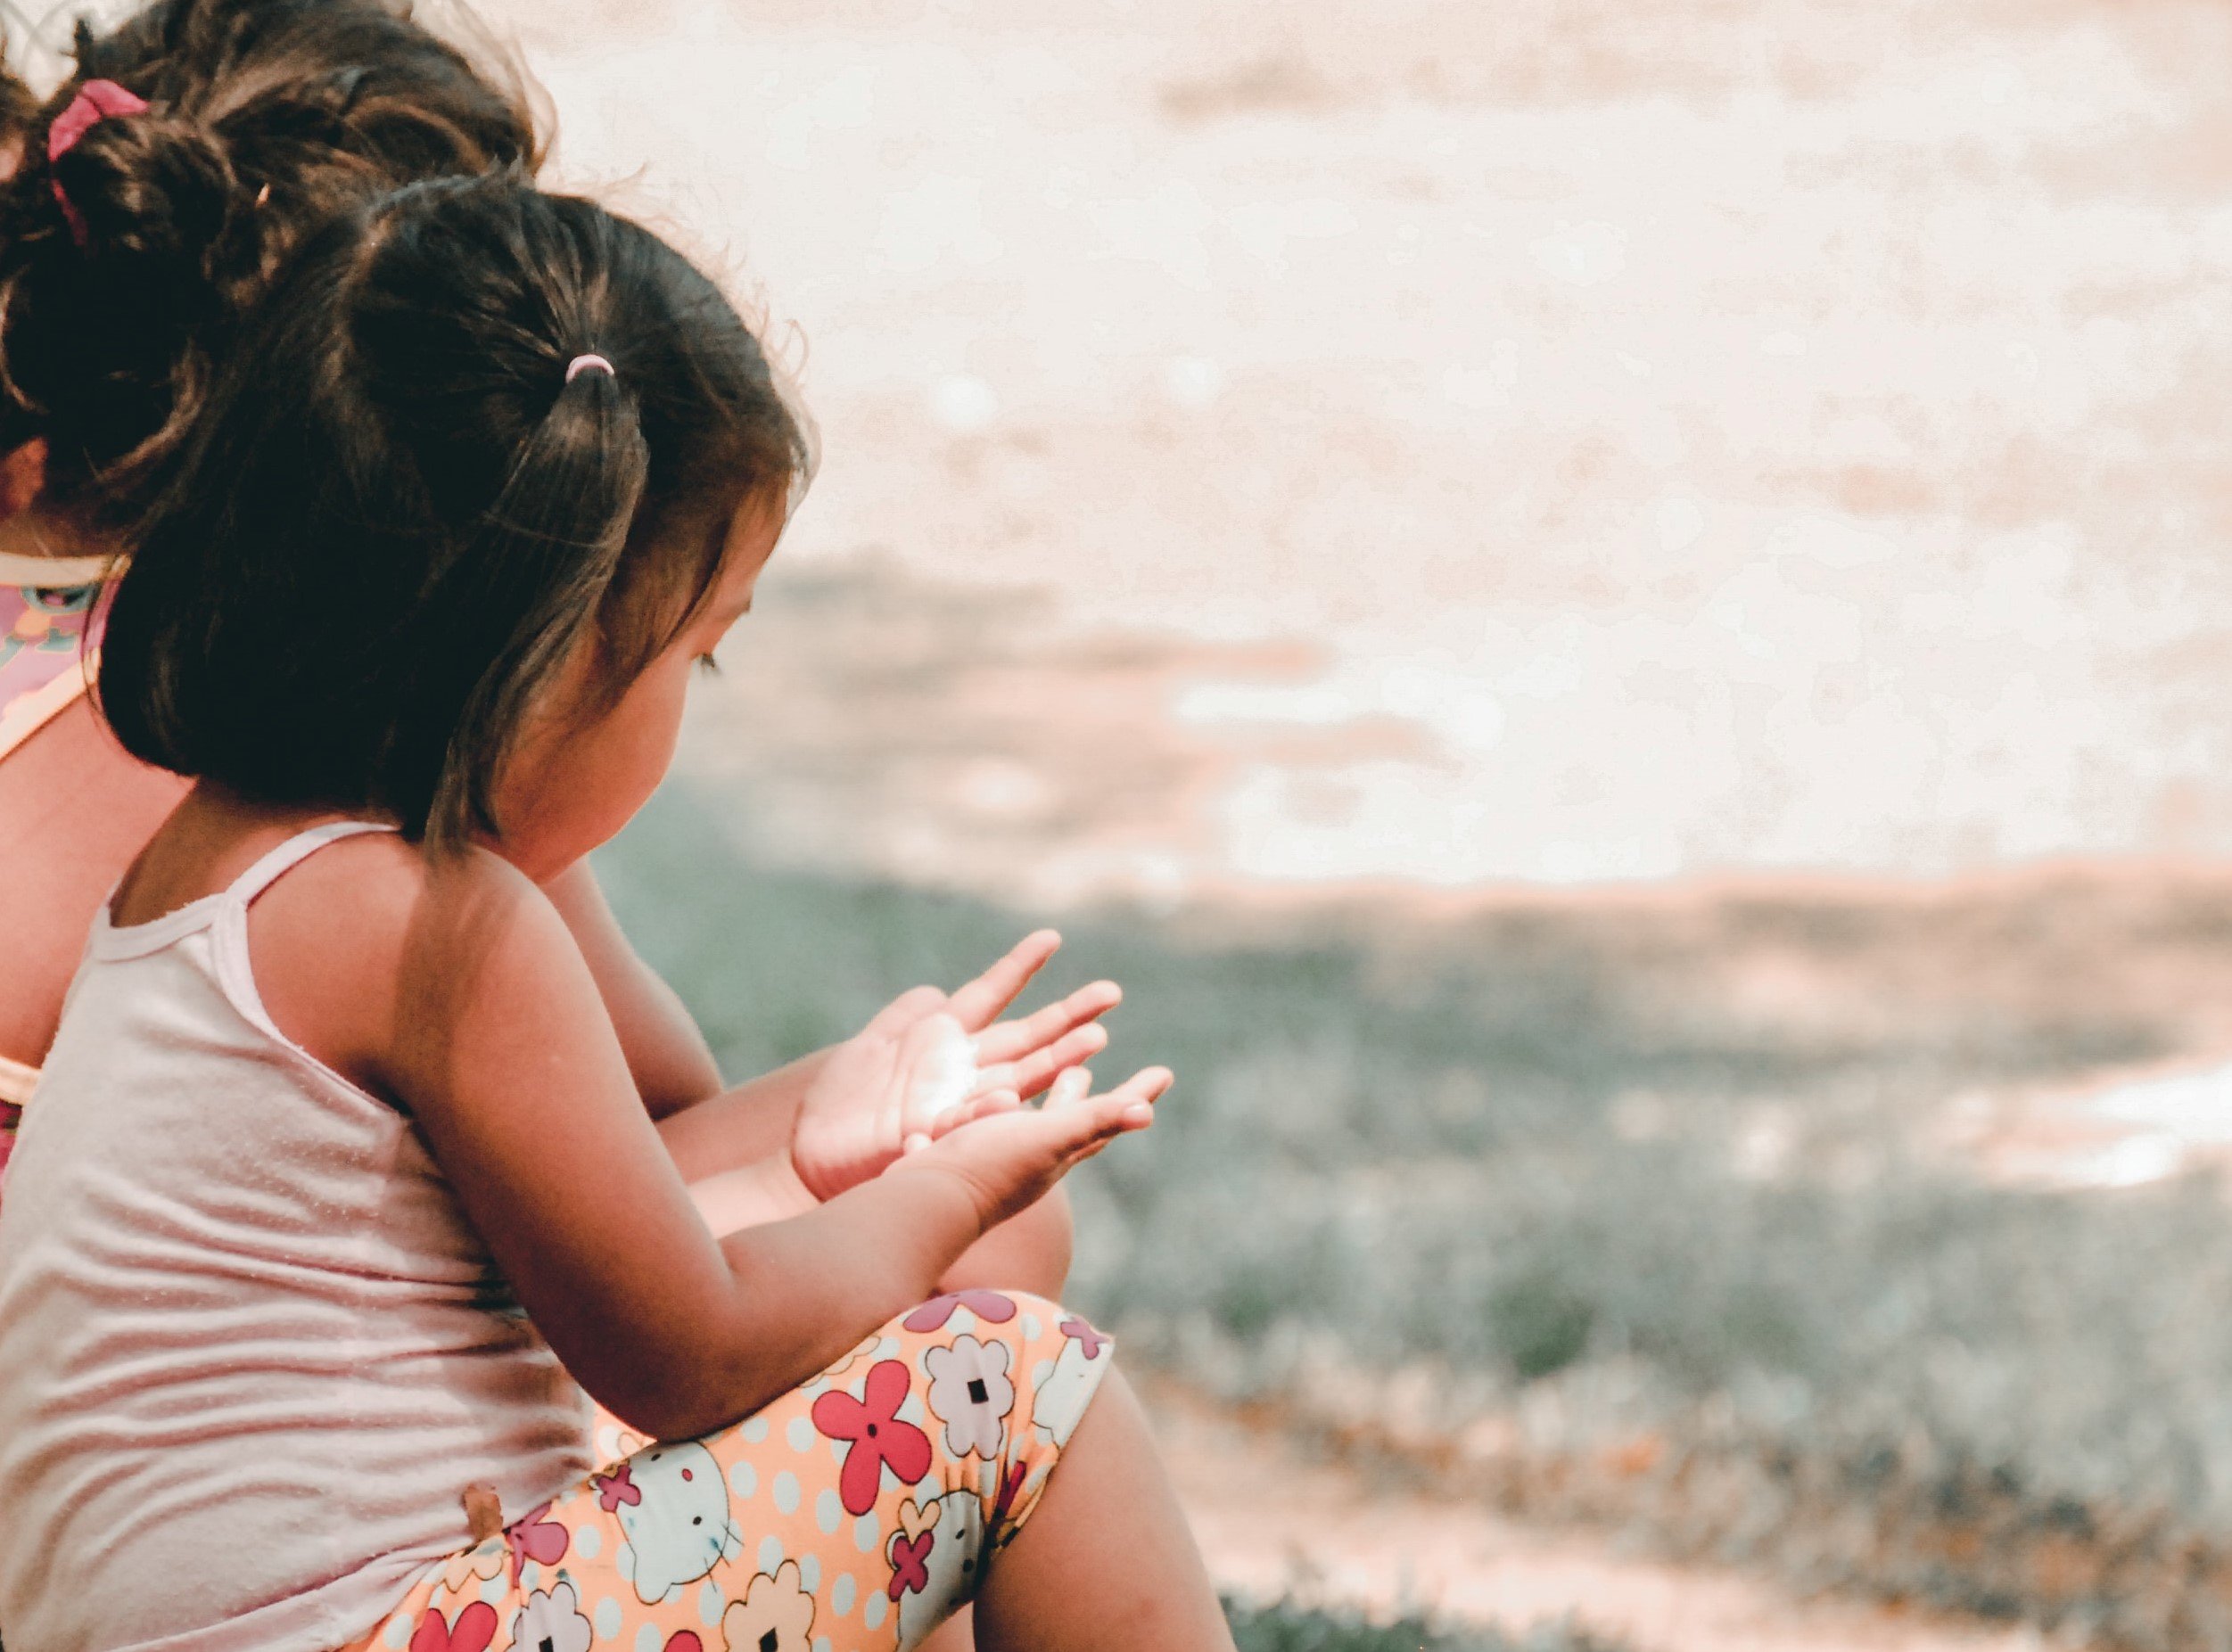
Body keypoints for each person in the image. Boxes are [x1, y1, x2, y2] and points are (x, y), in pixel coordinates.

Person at [0, 171, 1232, 1652]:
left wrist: (823, 1139)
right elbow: (690, 1348)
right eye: (692, 658)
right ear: (553, 657)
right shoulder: (434, 927)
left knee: (951, 1320)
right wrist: (941, 1193)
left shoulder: (217, 867)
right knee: (1017, 1389)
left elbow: (588, 1222)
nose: (683, 709)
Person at [0, 0, 1097, 1321]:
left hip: (84, 1459)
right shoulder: (338, 731)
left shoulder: (181, 677)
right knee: (991, 1265)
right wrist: (921, 1179)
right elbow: (660, 1150)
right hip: (274, 1472)